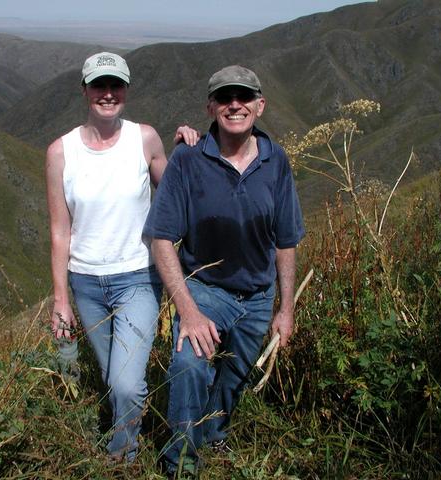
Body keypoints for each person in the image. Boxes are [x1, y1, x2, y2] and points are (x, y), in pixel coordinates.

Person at [143, 65, 305, 475]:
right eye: (225, 97)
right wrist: (190, 311)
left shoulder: (275, 160)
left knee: (234, 376)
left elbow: (286, 239)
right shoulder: (188, 160)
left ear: (260, 105)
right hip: (206, 290)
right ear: (211, 106)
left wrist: (285, 309)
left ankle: (213, 436)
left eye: (245, 96)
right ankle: (180, 461)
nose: (236, 104)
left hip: (257, 295)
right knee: (189, 365)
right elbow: (161, 237)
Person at [45, 52, 196, 462]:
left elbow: (175, 190)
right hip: (86, 283)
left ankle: (121, 457)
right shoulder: (60, 152)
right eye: (99, 85)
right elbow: (60, 230)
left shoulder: (144, 138)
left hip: (137, 278)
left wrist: (187, 146)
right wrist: (61, 299)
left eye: (116, 86)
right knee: (114, 380)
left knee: (126, 383)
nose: (107, 94)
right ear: (85, 90)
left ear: (126, 90)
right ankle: (124, 433)